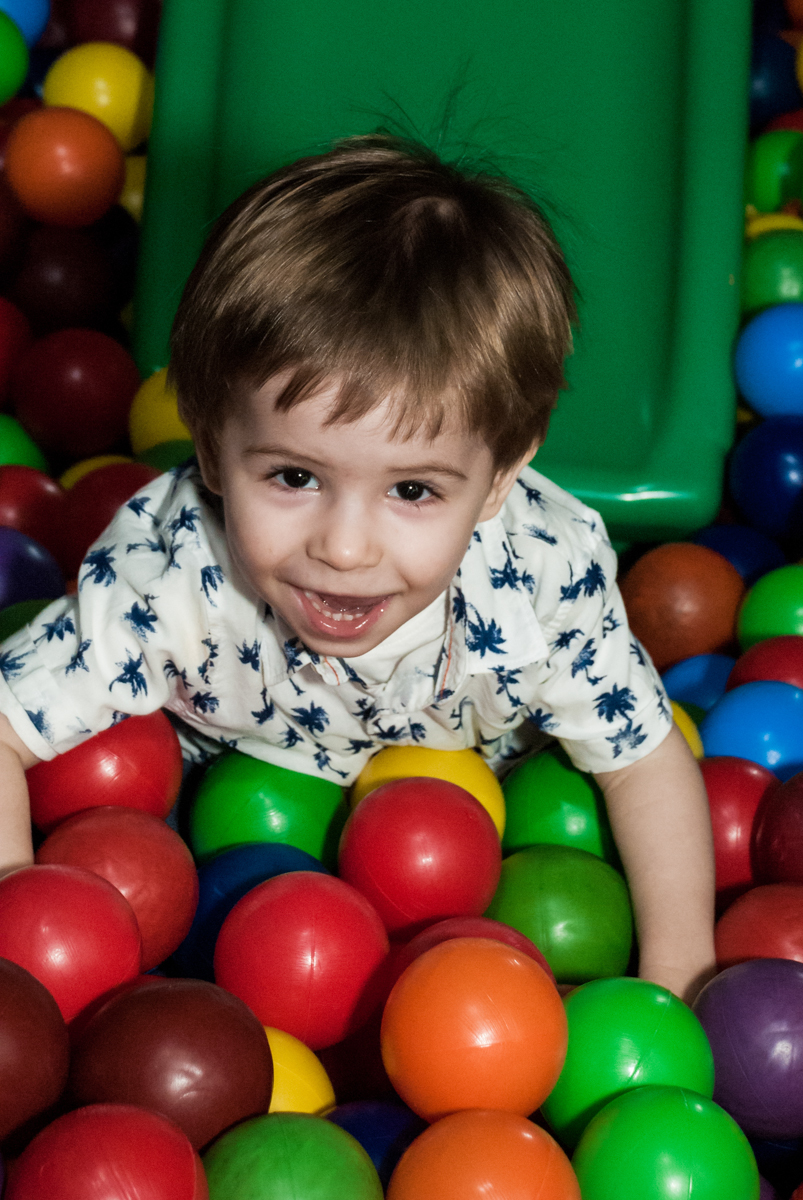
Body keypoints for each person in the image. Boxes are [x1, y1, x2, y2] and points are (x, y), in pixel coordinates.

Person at [0, 133, 714, 1002]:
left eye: (412, 490)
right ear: (210, 441)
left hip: (491, 810)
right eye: (294, 477)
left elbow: (641, 760)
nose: (344, 549)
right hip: (224, 833)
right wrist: (25, 933)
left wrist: (680, 975)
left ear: (498, 477)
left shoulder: (539, 580)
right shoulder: (171, 571)